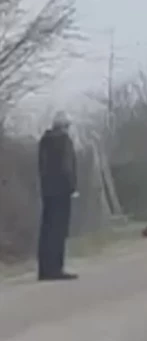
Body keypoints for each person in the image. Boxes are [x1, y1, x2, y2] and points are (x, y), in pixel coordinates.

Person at [37, 111, 78, 281]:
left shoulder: (44, 141)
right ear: (65, 126)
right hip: (61, 190)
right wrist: (72, 187)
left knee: (46, 229)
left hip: (47, 190)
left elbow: (42, 167)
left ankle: (44, 269)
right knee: (59, 230)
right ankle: (56, 268)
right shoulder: (64, 141)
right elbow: (67, 166)